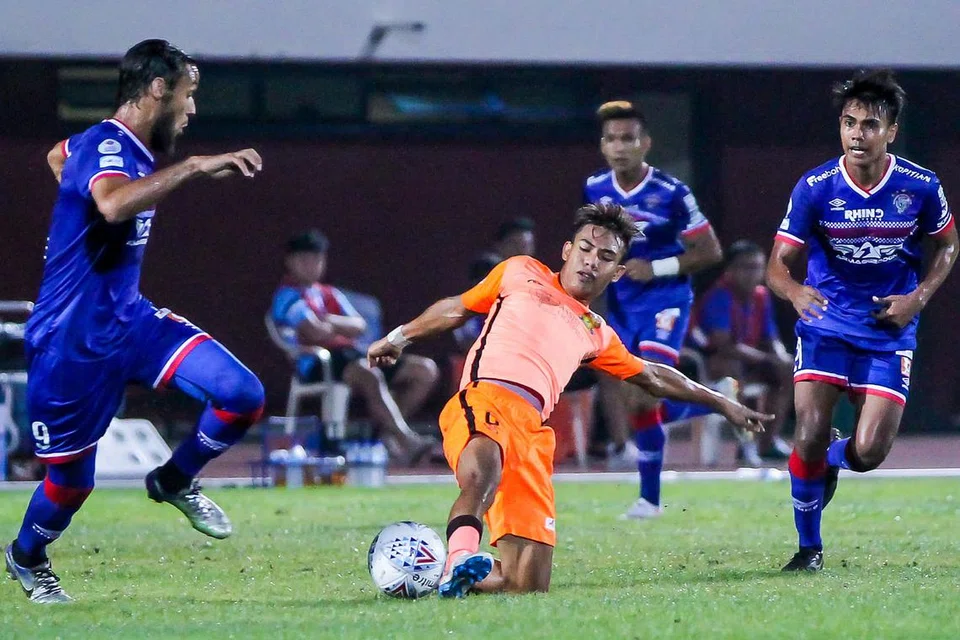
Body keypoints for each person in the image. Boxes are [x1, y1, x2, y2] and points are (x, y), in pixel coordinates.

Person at [367, 203, 772, 596]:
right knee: (482, 474)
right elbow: (457, 308)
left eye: (606, 257)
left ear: (616, 273)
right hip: (485, 398)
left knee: (528, 582)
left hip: (532, 429)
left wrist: (722, 402)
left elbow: (651, 375)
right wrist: (399, 337)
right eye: (586, 249)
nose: (592, 261)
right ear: (567, 250)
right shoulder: (519, 271)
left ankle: (443, 576)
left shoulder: (596, 332)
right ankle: (458, 558)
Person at [5, 40, 267, 604]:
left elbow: (59, 155)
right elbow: (111, 205)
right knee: (71, 484)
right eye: (188, 95)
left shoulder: (111, 148)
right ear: (157, 90)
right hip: (69, 342)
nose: (192, 110)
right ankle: (27, 555)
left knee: (241, 395)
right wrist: (194, 167)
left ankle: (173, 479)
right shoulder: (107, 142)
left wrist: (72, 215)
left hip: (131, 321)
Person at [767, 70, 957, 572]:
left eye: (870, 125)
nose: (857, 134)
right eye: (849, 123)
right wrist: (792, 291)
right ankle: (809, 549)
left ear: (890, 132)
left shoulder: (920, 186)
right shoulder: (815, 186)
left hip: (887, 330)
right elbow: (777, 263)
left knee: (870, 452)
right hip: (826, 324)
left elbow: (948, 243)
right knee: (806, 430)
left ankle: (830, 460)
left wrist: (918, 296)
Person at [583, 101, 724, 517]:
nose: (619, 147)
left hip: (666, 300)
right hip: (623, 303)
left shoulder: (672, 192)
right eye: (611, 139)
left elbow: (710, 250)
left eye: (628, 139)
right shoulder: (594, 188)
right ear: (603, 146)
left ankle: (649, 500)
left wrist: (657, 267)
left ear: (645, 144)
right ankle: (712, 402)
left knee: (645, 393)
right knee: (635, 398)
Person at [271, 230, 438, 462]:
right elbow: (312, 332)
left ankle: (384, 437)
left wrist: (328, 321)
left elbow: (359, 325)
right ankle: (405, 438)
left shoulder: (329, 293)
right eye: (305, 260)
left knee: (423, 370)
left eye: (317, 259)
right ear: (291, 262)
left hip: (351, 355)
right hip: (318, 362)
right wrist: (335, 327)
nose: (312, 266)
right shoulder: (287, 296)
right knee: (368, 372)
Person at [693, 240, 794, 462]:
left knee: (787, 370)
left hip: (749, 360)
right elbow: (724, 345)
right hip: (709, 363)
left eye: (757, 267)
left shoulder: (761, 296)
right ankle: (746, 444)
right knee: (732, 370)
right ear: (730, 270)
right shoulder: (719, 296)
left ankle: (767, 443)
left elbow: (772, 337)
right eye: (746, 267)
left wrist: (782, 358)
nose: (752, 273)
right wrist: (767, 359)